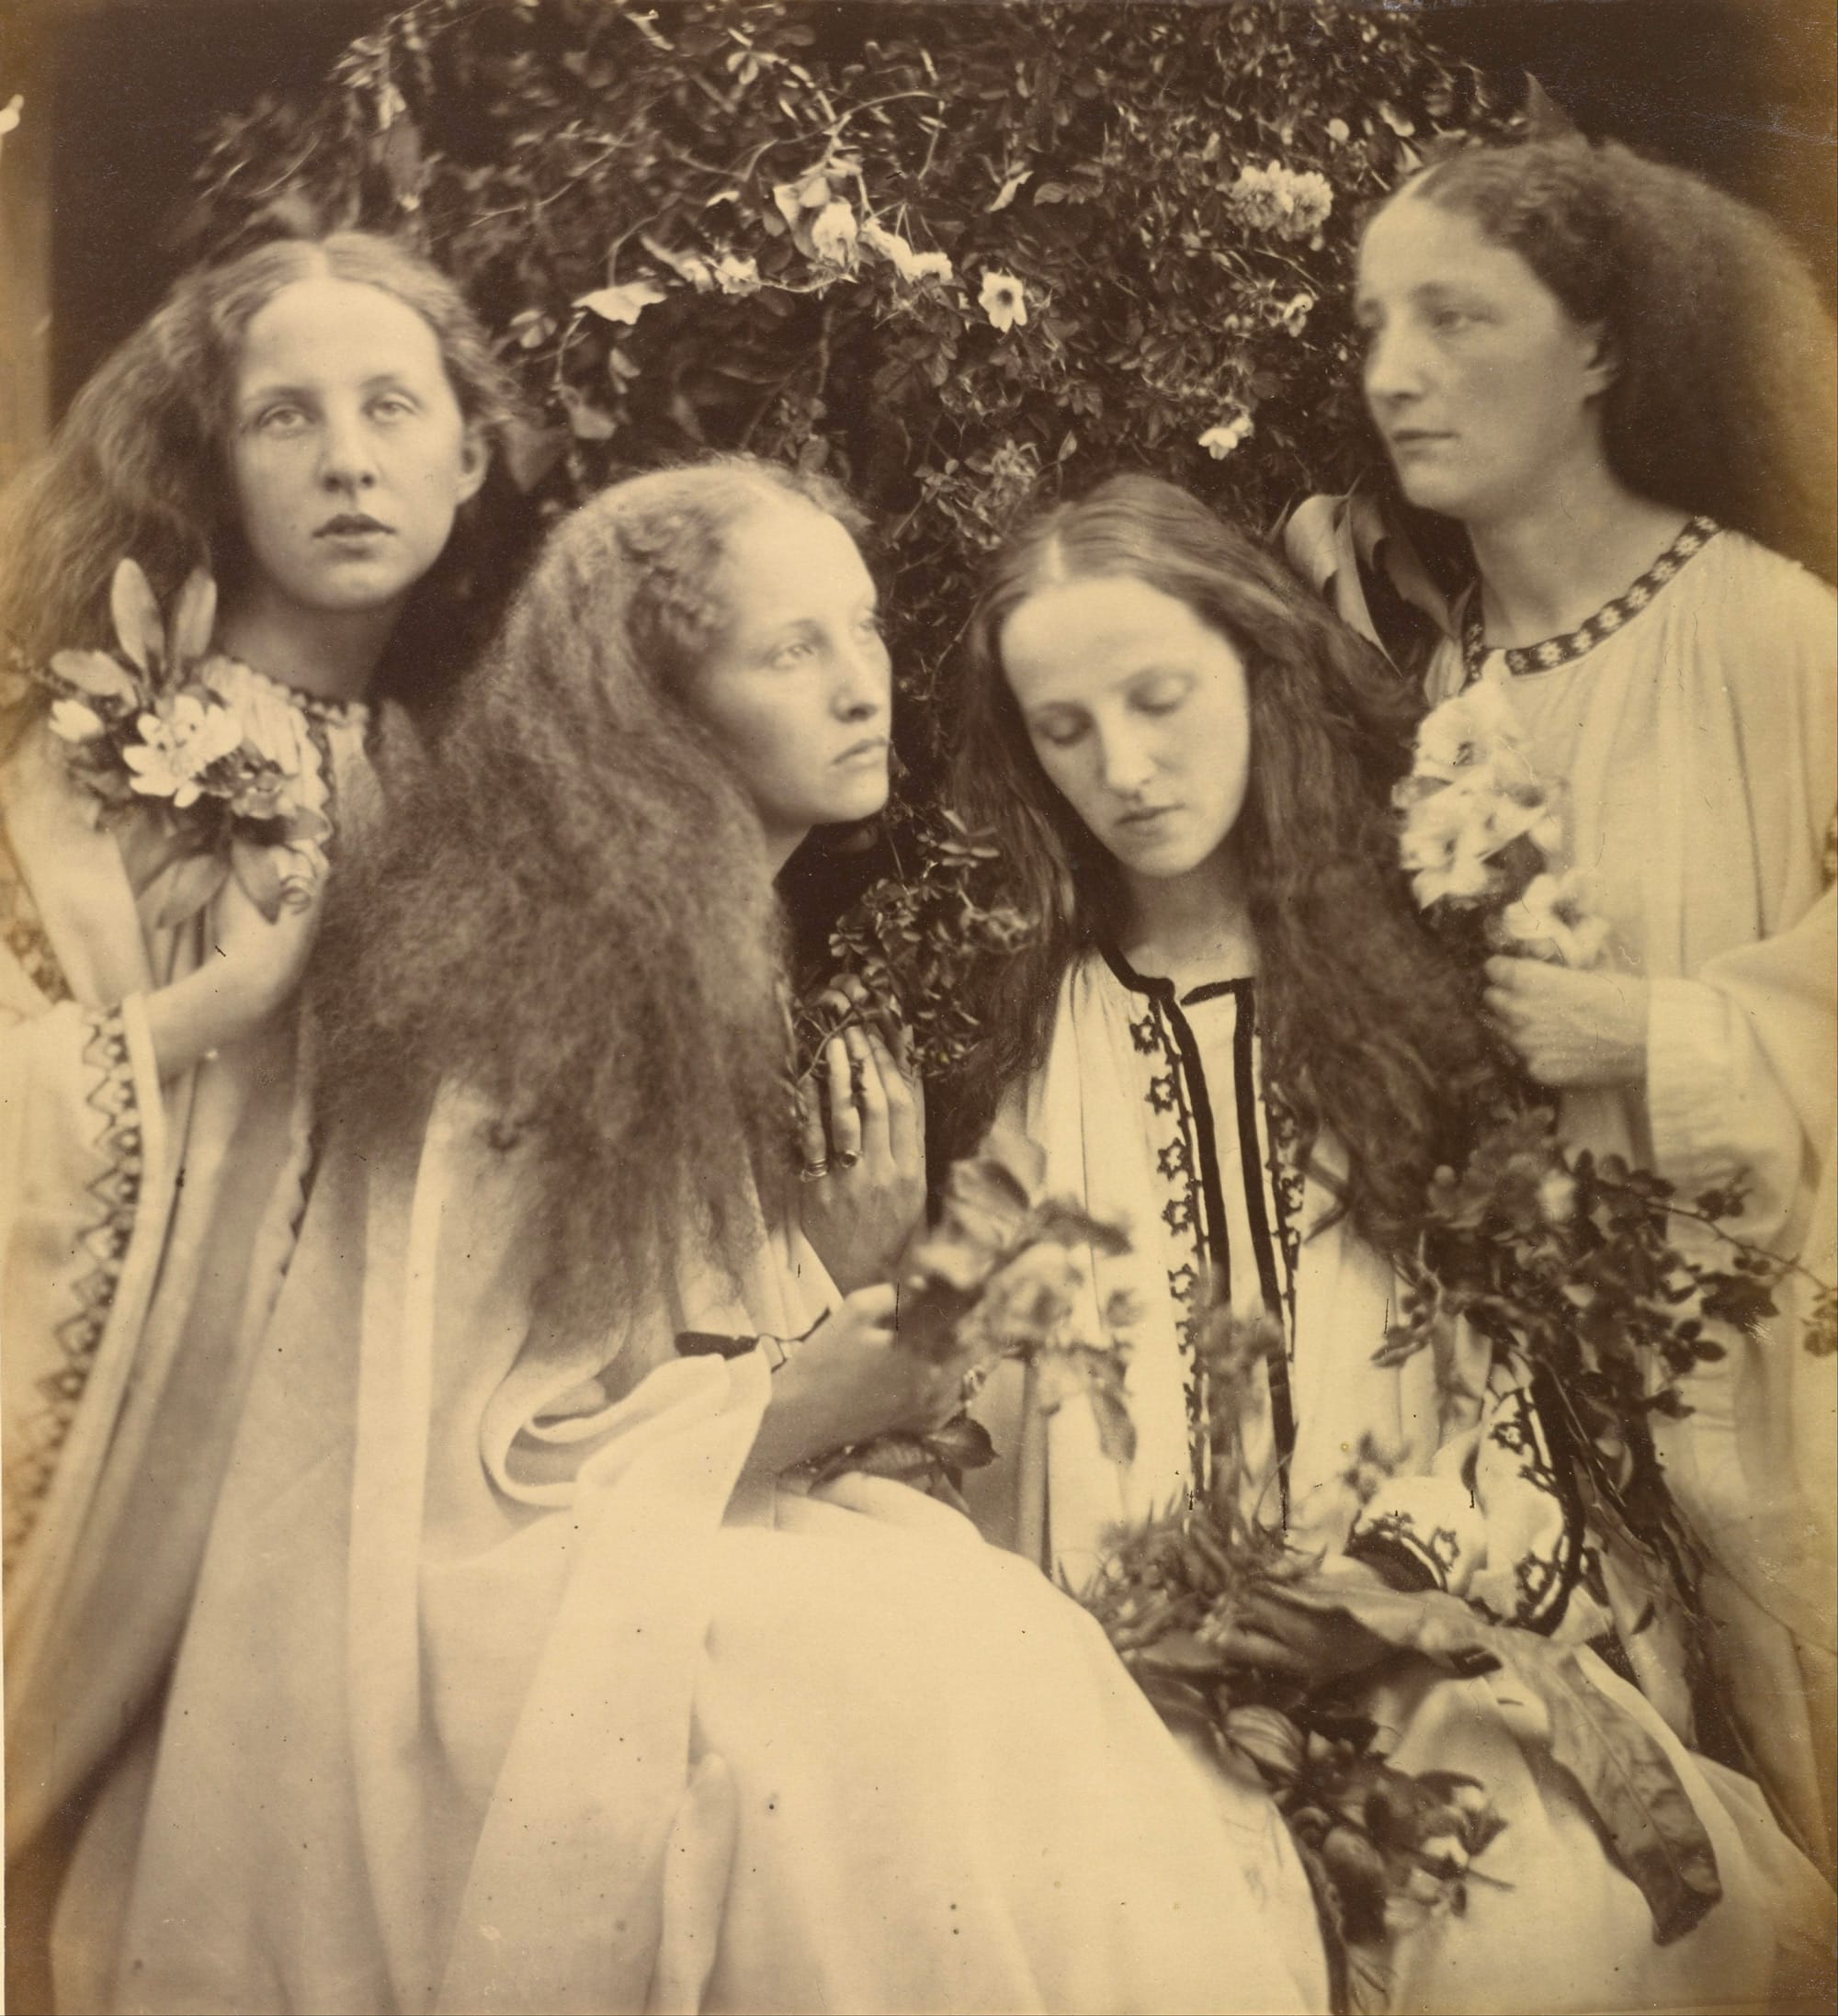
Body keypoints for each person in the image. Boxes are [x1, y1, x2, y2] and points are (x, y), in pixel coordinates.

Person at [51, 459, 1329, 2016]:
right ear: (657, 705)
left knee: (989, 1643)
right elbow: (469, 1469)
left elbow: (667, 1351)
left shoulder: (702, 940)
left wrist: (840, 1284)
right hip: (460, 1632)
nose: (860, 684)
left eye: (863, 630)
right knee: (917, 1681)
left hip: (651, 1549)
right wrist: (809, 1393)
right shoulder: (535, 976)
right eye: (792, 650)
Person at [947, 472, 1833, 2013]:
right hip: (1144, 1684)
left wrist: (1383, 1577)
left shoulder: (1407, 970)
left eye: (1160, 698)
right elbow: (1022, 1422)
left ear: (1255, 666)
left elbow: (1511, 1388)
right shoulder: (1035, 1039)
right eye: (1063, 729)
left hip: (1435, 1640)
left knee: (1526, 1942)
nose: (1126, 770)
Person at [0, 230, 513, 2000]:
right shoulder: (82, 759)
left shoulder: (447, 776)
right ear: (213, 463)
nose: (347, 460)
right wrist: (198, 1018)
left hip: (355, 1510)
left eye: (392, 409)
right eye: (285, 417)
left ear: (471, 451)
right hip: (121, 1511)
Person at [1351, 132, 1837, 1864]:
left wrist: (1660, 1032)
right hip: (1573, 1396)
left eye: (1455, 318)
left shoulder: (1775, 635)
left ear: (1601, 348)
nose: (1393, 372)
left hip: (1787, 1372)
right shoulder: (1446, 688)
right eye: (1371, 326)